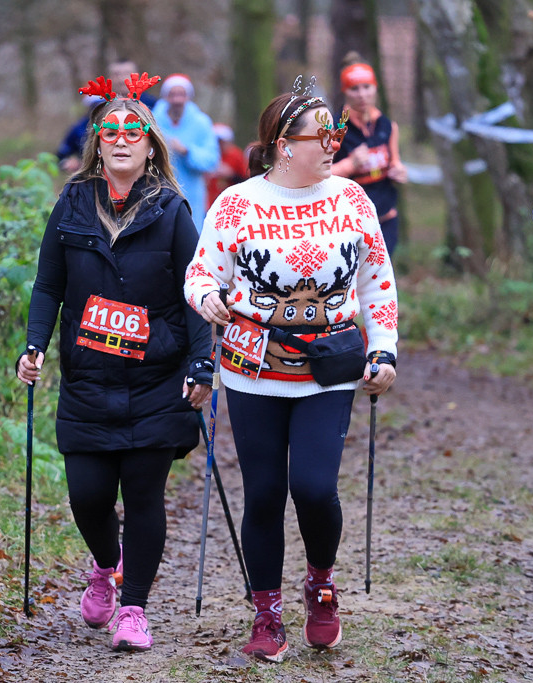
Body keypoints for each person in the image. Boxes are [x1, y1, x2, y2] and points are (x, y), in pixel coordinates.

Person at [184, 86, 399, 661]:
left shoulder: (353, 199)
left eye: (337, 135)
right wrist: (206, 295)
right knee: (263, 494)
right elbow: (201, 272)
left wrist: (384, 349)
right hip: (253, 366)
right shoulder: (237, 203)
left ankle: (321, 582)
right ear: (283, 146)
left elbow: (377, 279)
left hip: (329, 364)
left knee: (312, 487)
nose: (334, 145)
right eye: (321, 137)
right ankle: (267, 610)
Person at [17, 71, 213, 651]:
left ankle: (134, 610)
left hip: (157, 376)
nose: (122, 139)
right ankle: (107, 564)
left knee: (145, 494)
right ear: (97, 142)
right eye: (111, 132)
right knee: (89, 496)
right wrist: (35, 345)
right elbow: (48, 284)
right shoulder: (72, 203)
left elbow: (196, 289)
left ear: (150, 143)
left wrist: (202, 365)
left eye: (134, 131)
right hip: (88, 377)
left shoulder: (172, 209)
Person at [331, 57, 407, 255]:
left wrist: (399, 172)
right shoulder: (334, 127)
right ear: (344, 92)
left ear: (375, 88)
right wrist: (350, 164)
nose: (362, 95)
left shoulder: (387, 126)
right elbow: (318, 176)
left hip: (385, 217)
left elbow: (395, 164)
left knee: (383, 281)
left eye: (367, 87)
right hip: (349, 222)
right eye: (354, 89)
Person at [55, 59, 157, 174]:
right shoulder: (98, 110)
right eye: (117, 74)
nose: (122, 79)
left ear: (137, 76)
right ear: (110, 78)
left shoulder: (155, 107)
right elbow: (61, 155)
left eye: (128, 74)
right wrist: (71, 162)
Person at [152, 74, 219, 233]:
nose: (177, 100)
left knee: (189, 236)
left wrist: (187, 152)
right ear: (165, 97)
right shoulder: (153, 120)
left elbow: (212, 160)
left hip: (191, 192)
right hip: (157, 189)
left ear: (188, 97)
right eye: (172, 94)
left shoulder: (201, 122)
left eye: (181, 95)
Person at [205, 122, 248, 210]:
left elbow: (246, 180)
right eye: (216, 141)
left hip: (231, 202)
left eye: (221, 141)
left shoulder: (236, 155)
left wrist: (231, 174)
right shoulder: (207, 155)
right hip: (208, 203)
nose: (219, 144)